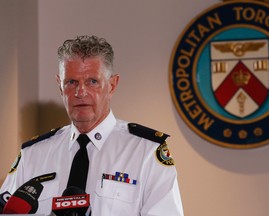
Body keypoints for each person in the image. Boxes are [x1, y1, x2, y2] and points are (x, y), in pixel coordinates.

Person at [0, 35, 184, 215]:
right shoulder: (32, 155)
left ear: (112, 85)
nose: (81, 92)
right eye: (71, 82)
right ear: (60, 86)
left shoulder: (146, 152)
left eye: (92, 82)